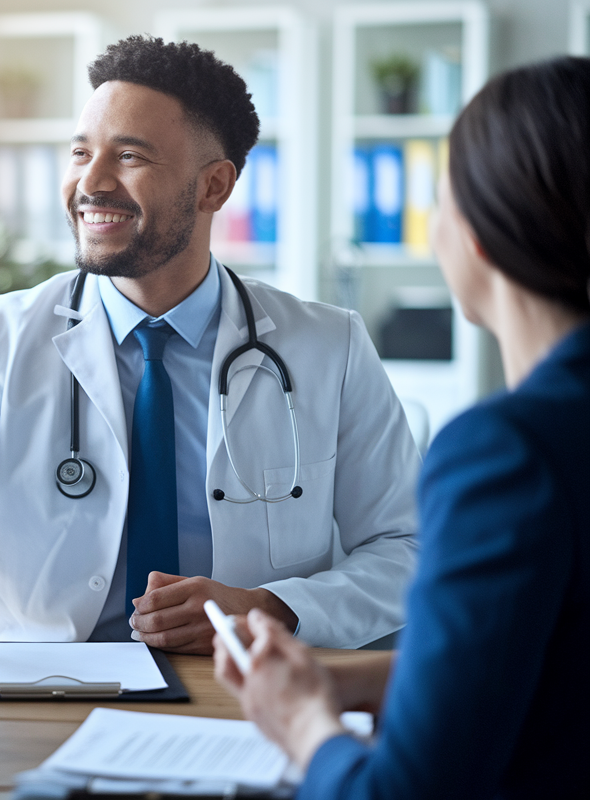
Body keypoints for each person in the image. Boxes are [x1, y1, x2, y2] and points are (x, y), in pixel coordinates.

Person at [0, 37, 420, 650]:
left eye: (130, 156)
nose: (92, 183)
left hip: (244, 687)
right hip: (41, 692)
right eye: (82, 153)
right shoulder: (2, 336)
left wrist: (274, 609)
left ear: (214, 186)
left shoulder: (327, 349)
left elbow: (406, 549)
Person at [213, 56, 590, 799]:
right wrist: (340, 677)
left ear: (477, 234)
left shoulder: (507, 454)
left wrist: (302, 724)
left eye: (439, 199)